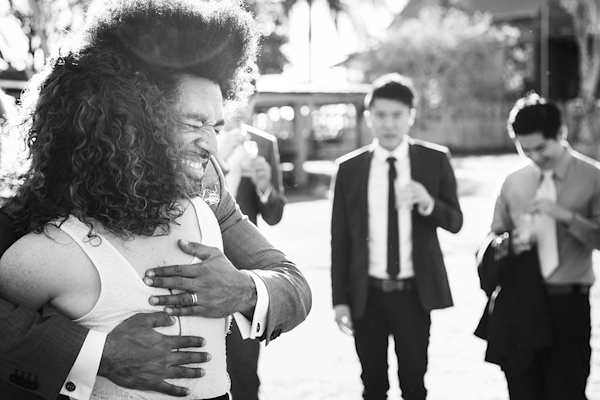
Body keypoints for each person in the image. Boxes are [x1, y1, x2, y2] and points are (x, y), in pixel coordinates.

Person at [0, 1, 311, 399]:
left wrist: (245, 289)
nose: (212, 145)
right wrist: (98, 353)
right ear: (128, 121)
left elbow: (291, 281)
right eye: (193, 123)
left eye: (216, 125)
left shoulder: (206, 190)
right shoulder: (41, 201)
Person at [330, 73, 463, 400]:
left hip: (413, 295)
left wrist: (428, 202)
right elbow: (340, 239)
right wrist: (340, 300)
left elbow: (456, 221)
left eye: (397, 115)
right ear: (368, 118)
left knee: (414, 386)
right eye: (380, 116)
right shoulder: (349, 168)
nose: (389, 124)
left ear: (411, 117)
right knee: (373, 386)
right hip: (367, 296)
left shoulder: (434, 160)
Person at [475, 93, 600, 400]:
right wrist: (513, 242)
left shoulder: (593, 177)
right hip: (520, 304)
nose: (533, 156)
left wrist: (566, 217)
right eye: (524, 148)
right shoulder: (512, 182)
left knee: (567, 393)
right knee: (523, 393)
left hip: (568, 305)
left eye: (541, 148)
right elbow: (491, 241)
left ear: (561, 133)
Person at [216, 99, 286, 399]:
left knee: (245, 375)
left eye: (248, 99)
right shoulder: (196, 138)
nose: (240, 106)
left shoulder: (264, 144)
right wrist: (222, 157)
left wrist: (265, 186)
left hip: (244, 277)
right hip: (193, 269)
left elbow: (274, 214)